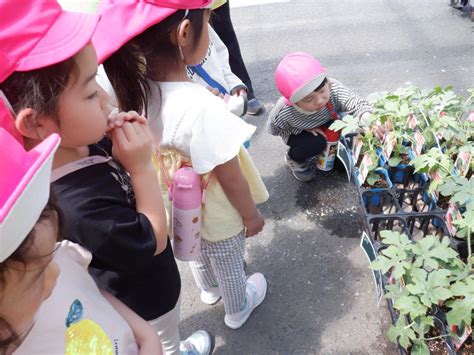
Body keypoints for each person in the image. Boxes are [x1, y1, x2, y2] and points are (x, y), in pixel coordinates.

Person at [0, 1, 210, 354]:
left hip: (138, 296)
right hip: (145, 303)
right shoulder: (76, 203)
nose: (103, 98)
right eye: (88, 92)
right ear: (36, 123)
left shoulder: (85, 142)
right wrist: (141, 167)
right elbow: (152, 240)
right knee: (165, 339)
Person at [99, 1, 269, 330]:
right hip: (217, 209)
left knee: (195, 249)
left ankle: (208, 290)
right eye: (209, 21)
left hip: (177, 208)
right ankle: (238, 308)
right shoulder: (202, 107)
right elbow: (230, 177)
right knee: (230, 261)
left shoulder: (134, 90)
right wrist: (251, 215)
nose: (212, 32)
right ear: (184, 32)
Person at [0, 126, 161, 354]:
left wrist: (145, 334)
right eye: (37, 277)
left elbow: (88, 289)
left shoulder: (52, 257)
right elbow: (152, 239)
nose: (55, 272)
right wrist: (142, 168)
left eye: (51, 255)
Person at [267, 52, 376, 182]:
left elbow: (354, 102)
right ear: (294, 102)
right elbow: (274, 130)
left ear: (328, 83)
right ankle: (294, 158)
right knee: (315, 143)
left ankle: (329, 149)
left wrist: (366, 116)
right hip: (301, 132)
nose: (319, 101)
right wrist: (300, 130)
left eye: (322, 91)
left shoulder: (333, 88)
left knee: (340, 161)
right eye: (308, 100)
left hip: (329, 122)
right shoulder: (285, 112)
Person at [211, 0, 264, 115]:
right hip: (182, 7)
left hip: (215, 4)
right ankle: (219, 99)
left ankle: (243, 93)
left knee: (227, 43)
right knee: (203, 52)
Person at [187, 24, 248, 117]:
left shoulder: (199, 19)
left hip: (225, 99)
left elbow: (219, 51)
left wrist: (233, 83)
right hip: (203, 118)